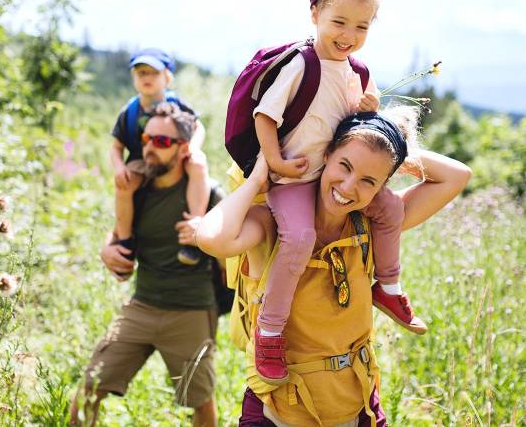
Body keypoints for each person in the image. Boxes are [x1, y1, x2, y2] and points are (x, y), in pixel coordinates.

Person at [197, 108, 472, 426]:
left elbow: (457, 176)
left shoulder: (372, 225)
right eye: (345, 165)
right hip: (278, 411)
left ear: (381, 187)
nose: (349, 186)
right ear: (325, 154)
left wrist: (390, 144)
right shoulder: (274, 224)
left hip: (356, 406)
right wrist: (257, 179)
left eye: (369, 180)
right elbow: (211, 238)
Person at [244, 0, 424, 385]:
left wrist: (375, 114)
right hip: (294, 179)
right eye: (338, 22)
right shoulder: (300, 65)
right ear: (314, 15)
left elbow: (370, 120)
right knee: (299, 238)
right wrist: (276, 163)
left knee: (390, 209)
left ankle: (389, 287)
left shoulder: (357, 71)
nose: (348, 34)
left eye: (361, 27)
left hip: (333, 178)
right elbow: (264, 117)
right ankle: (270, 330)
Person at [71, 104, 222, 427]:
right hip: (142, 306)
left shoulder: (208, 193)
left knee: (200, 401)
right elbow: (118, 232)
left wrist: (207, 237)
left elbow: (233, 249)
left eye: (162, 142)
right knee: (89, 386)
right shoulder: (138, 189)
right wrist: (105, 250)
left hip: (191, 311)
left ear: (184, 149)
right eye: (146, 139)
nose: (150, 147)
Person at [111, 48, 209, 266]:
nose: (147, 78)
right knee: (124, 185)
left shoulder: (177, 104)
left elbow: (198, 127)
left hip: (175, 155)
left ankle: (193, 230)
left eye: (153, 73)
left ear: (167, 77)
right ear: (133, 77)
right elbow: (116, 146)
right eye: (141, 73)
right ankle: (125, 241)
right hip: (141, 160)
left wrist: (192, 148)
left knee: (198, 164)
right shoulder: (129, 111)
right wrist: (119, 167)